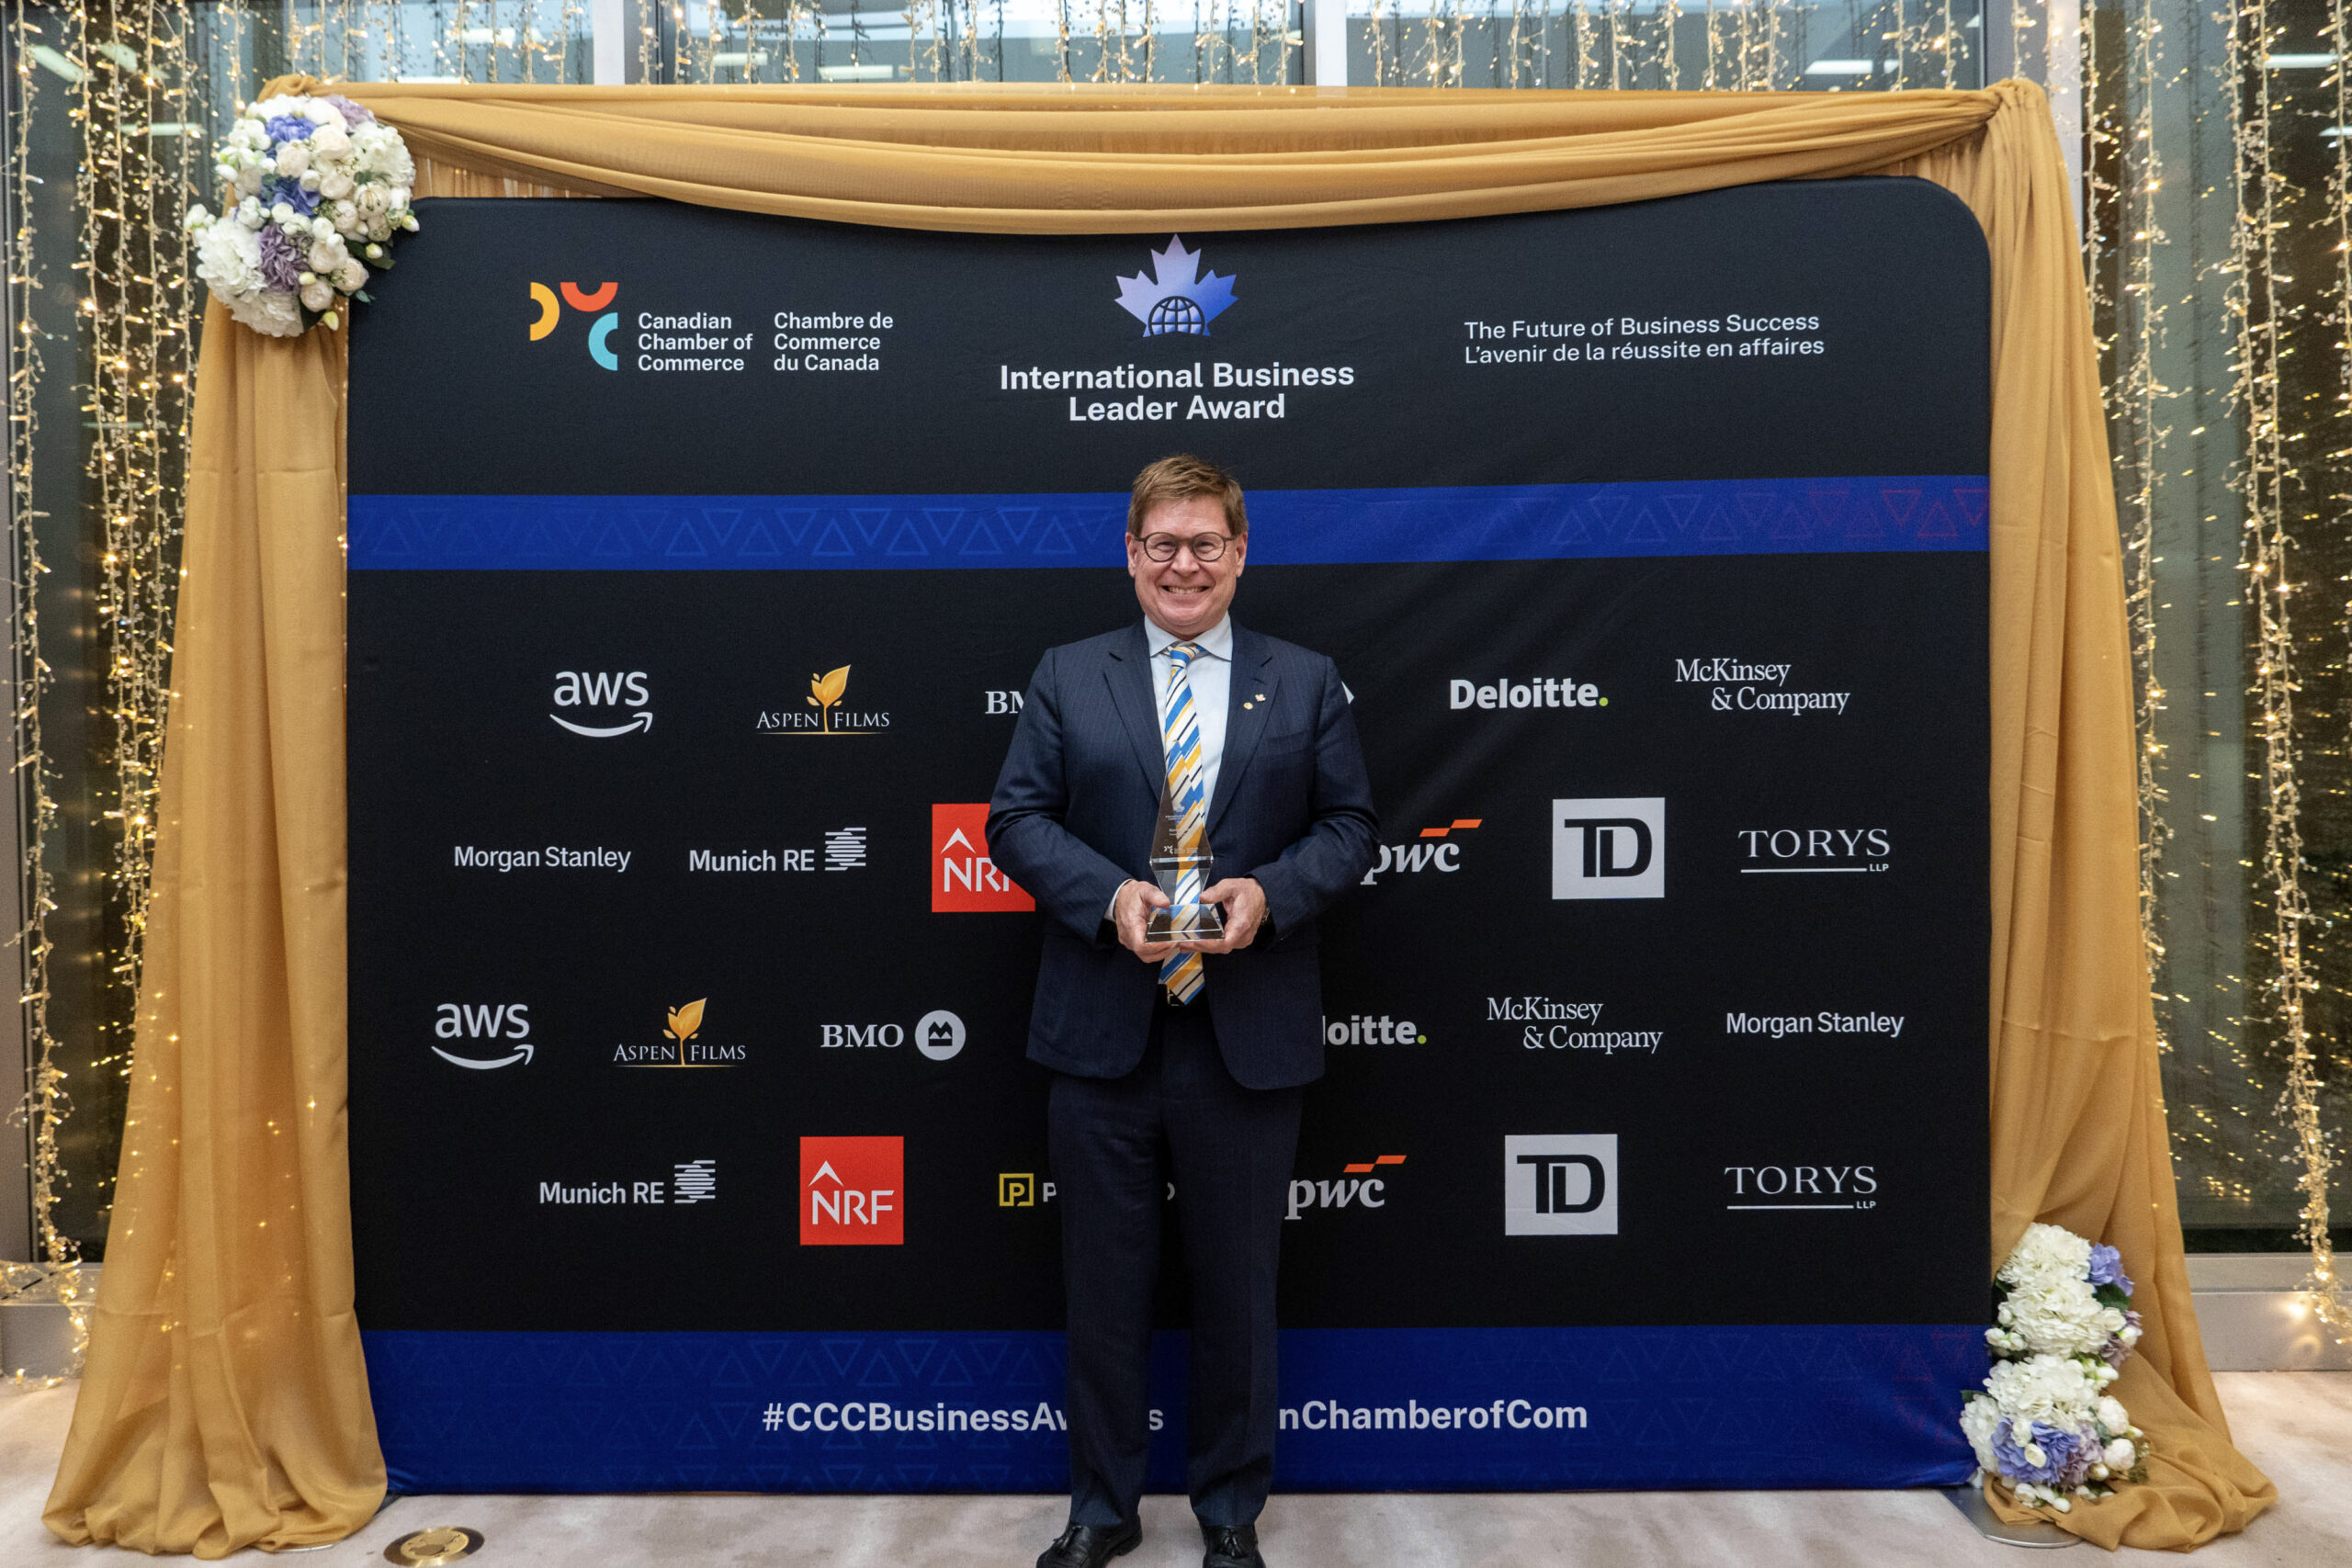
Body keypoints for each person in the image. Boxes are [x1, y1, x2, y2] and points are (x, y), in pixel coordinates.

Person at [988, 455, 1378, 1568]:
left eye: (1206, 543)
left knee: (1238, 1294)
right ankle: (1102, 1510)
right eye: (1162, 544)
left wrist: (1273, 895)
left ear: (1240, 553)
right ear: (1130, 553)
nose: (1184, 565)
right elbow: (1015, 821)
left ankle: (1229, 1512)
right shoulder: (1068, 674)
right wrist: (1110, 898)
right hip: (1101, 1035)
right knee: (1102, 1293)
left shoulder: (1305, 680)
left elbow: (1350, 828)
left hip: (1243, 1035)